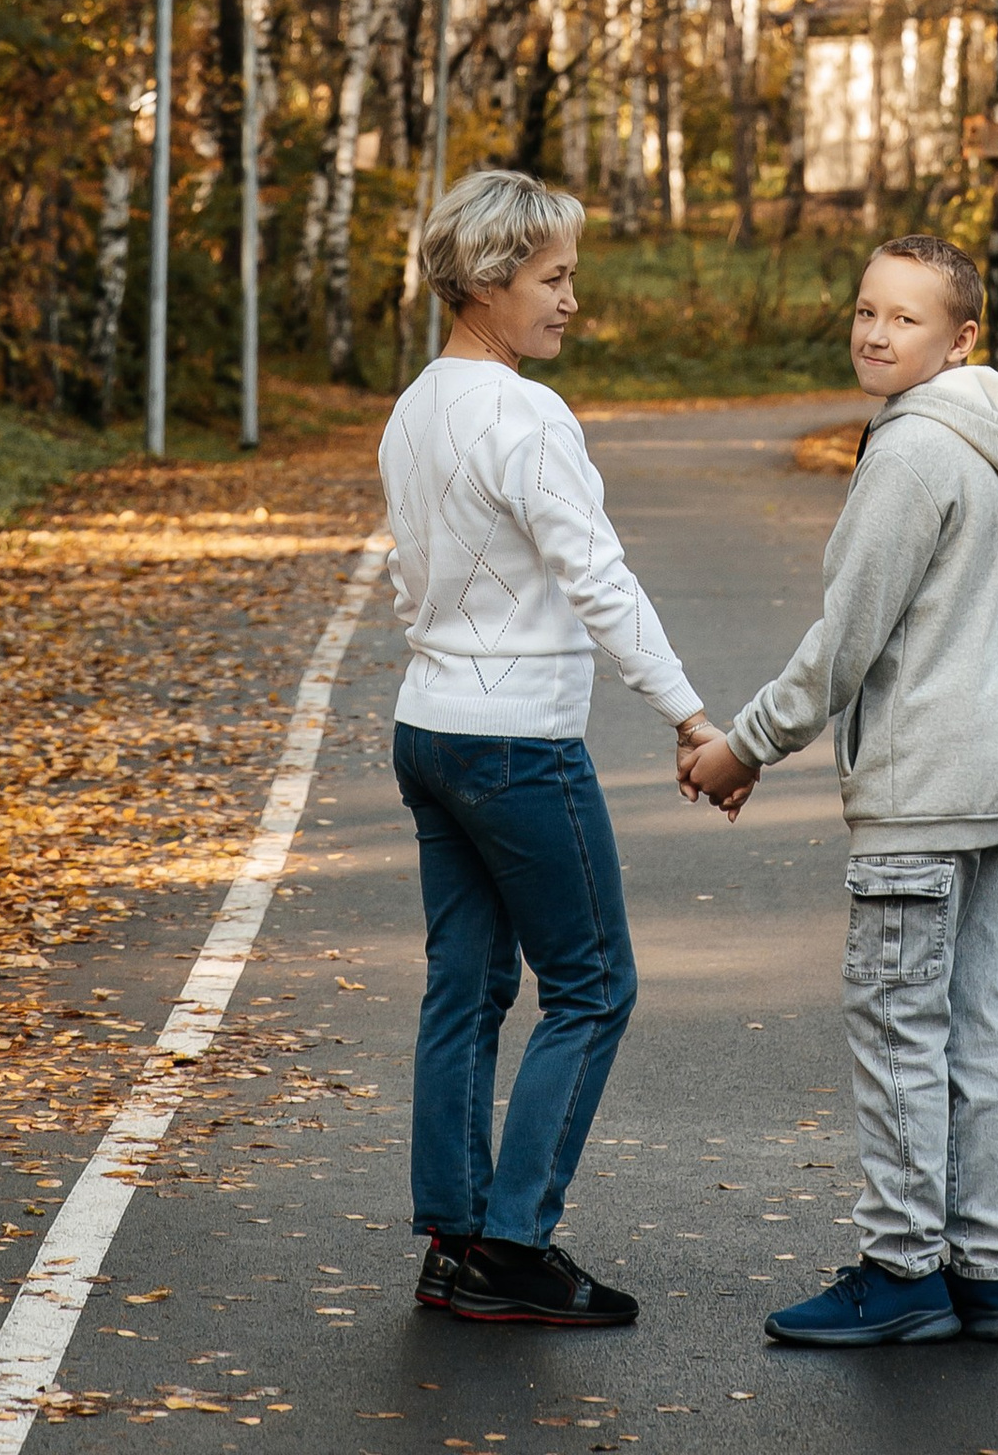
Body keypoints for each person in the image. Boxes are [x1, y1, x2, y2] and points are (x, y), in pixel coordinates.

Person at [680, 235, 998, 1350]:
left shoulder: (910, 454)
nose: (874, 333)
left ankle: (903, 1268)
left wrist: (744, 748)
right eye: (865, 310)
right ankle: (990, 1272)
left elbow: (845, 639)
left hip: (921, 795)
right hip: (994, 798)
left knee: (901, 1028)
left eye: (904, 318)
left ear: (959, 339)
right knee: (979, 1024)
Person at [377, 168, 724, 1333]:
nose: (571, 300)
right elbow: (599, 582)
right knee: (592, 985)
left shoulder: (416, 407)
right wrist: (690, 716)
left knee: (466, 988)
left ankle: (453, 1242)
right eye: (553, 278)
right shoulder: (526, 417)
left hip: (429, 728)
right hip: (516, 743)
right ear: (487, 282)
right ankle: (516, 1246)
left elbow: (411, 576)